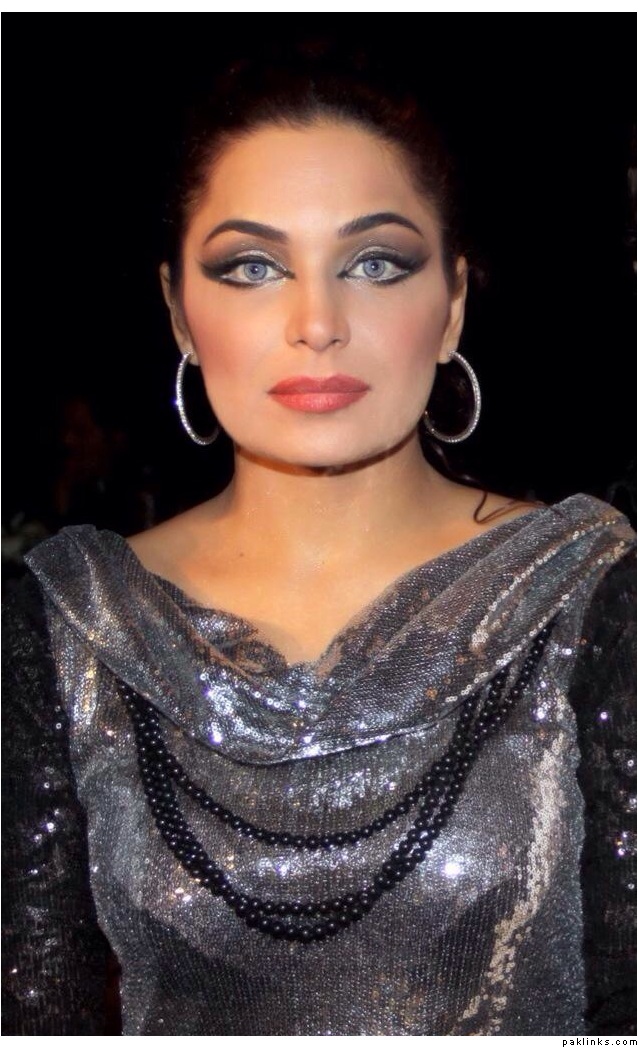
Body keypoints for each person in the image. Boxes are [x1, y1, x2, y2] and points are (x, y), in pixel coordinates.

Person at [3, 47, 635, 1036]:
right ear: (179, 312)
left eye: (374, 263)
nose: (316, 322)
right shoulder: (64, 626)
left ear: (452, 304)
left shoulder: (591, 596)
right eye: (252, 267)